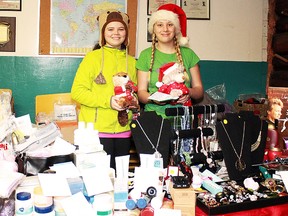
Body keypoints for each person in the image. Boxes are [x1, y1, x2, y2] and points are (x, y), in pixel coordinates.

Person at [71, 10, 137, 170]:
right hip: (96, 132)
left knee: (119, 179)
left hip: (124, 130)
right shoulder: (92, 58)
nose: (116, 33)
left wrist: (133, 101)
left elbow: (134, 91)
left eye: (121, 29)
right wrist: (108, 101)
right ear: (103, 33)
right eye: (110, 29)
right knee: (97, 181)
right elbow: (77, 92)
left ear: (126, 33)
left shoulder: (132, 61)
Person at [136, 3, 204, 118]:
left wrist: (187, 92)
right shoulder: (145, 55)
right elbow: (141, 93)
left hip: (183, 118)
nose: (165, 29)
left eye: (170, 24)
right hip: (154, 118)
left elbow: (199, 91)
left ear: (176, 29)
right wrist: (154, 99)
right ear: (153, 28)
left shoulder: (189, 54)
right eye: (160, 25)